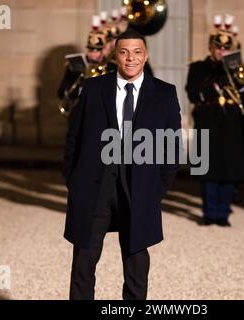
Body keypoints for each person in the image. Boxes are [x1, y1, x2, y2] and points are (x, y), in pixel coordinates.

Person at [63, 29, 182, 299]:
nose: (131, 58)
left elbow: (172, 148)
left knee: (137, 266)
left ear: (146, 55)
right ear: (115, 55)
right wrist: (74, 183)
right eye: (124, 52)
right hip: (95, 187)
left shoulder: (164, 94)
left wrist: (156, 191)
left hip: (139, 190)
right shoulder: (93, 88)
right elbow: (74, 137)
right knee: (84, 262)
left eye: (137, 52)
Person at [185, 16, 244, 227]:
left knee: (229, 170)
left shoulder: (239, 69)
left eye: (226, 49)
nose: (221, 52)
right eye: (218, 48)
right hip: (207, 123)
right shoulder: (198, 68)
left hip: (231, 126)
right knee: (207, 171)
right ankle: (209, 213)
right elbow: (192, 93)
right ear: (210, 47)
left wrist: (233, 71)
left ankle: (223, 214)